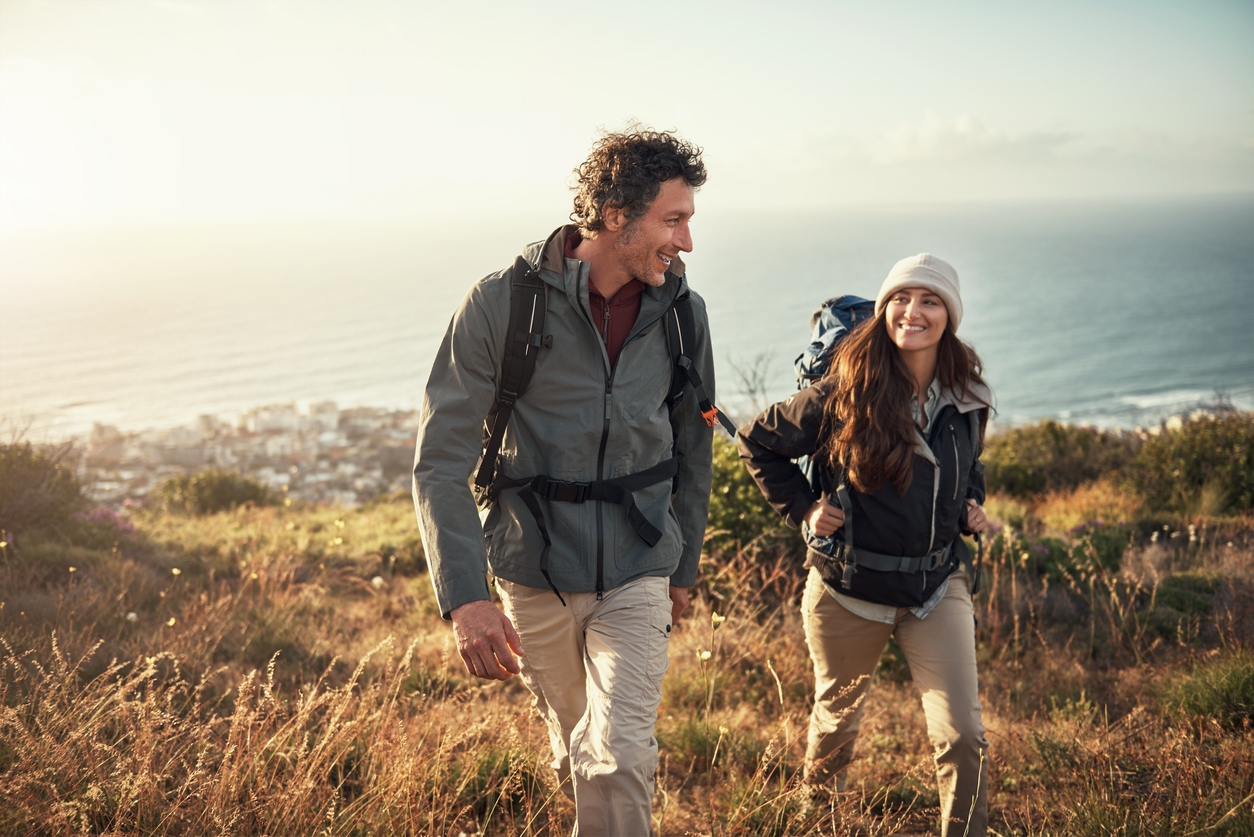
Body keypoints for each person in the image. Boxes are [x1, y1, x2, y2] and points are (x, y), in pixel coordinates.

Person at [412, 128, 716, 836]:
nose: (688, 242)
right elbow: (439, 461)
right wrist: (464, 598)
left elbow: (692, 451)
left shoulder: (681, 313)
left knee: (619, 753)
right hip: (532, 567)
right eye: (674, 220)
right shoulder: (499, 305)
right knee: (576, 747)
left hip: (641, 563)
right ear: (616, 215)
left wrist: (684, 565)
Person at [738, 254, 993, 836]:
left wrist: (970, 506)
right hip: (848, 589)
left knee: (963, 735)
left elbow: (968, 466)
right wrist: (805, 508)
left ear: (948, 315)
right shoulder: (845, 389)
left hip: (936, 588)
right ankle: (817, 826)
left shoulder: (968, 394)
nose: (913, 312)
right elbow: (757, 441)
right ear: (884, 311)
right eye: (901, 299)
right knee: (836, 728)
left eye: (929, 300)